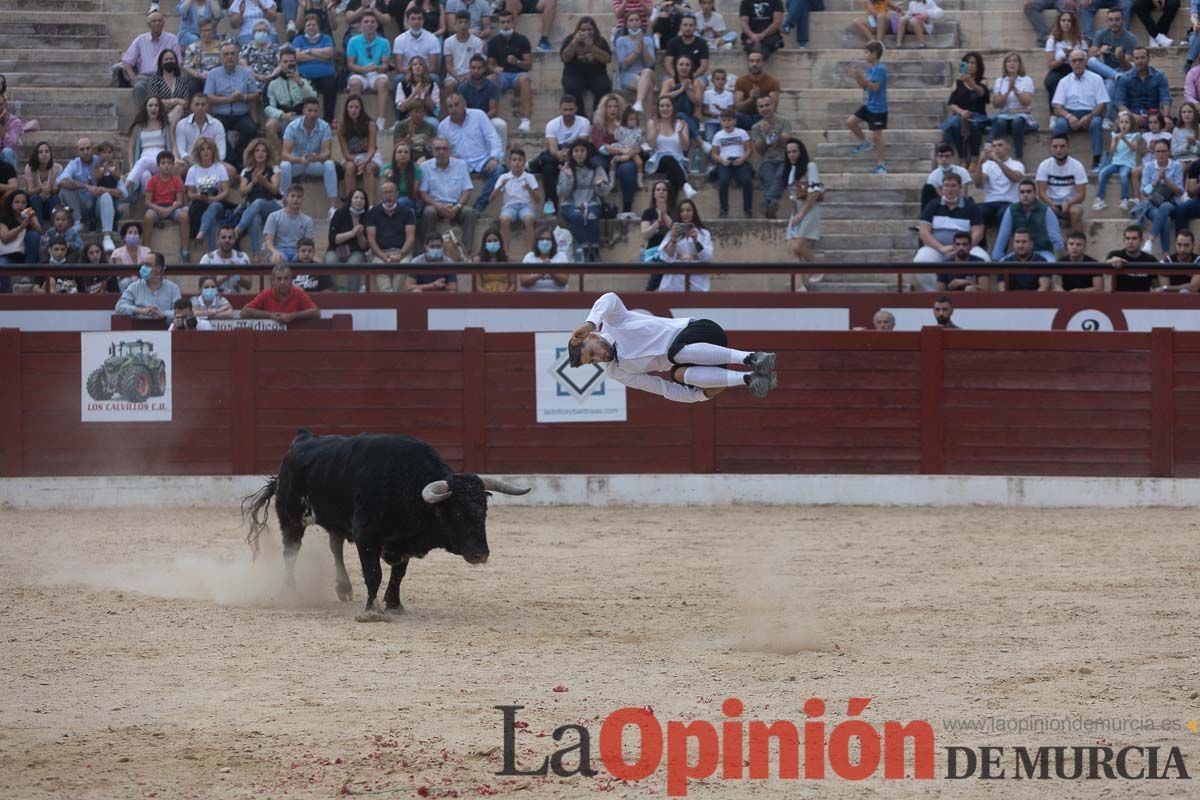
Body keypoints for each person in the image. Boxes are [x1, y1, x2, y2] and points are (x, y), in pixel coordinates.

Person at [568, 292, 778, 401]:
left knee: (674, 354)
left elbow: (609, 298)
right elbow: (663, 389)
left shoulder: (614, 322)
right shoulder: (617, 372)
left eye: (593, 353)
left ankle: (752, 357)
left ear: (593, 337)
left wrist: (590, 321)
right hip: (702, 363)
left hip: (701, 331)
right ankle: (751, 379)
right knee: (677, 374)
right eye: (593, 361)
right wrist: (699, 396)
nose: (599, 358)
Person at [913, 172, 987, 291]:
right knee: (920, 261)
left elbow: (978, 232)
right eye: (946, 186)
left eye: (953, 186)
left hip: (965, 247)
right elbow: (924, 232)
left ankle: (969, 291)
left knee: (985, 259)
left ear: (960, 188)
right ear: (942, 189)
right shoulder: (932, 205)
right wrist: (941, 248)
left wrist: (963, 247)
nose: (949, 189)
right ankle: (939, 295)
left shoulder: (971, 206)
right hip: (938, 248)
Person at [438, 93, 505, 213]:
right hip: (460, 164)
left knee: (499, 170)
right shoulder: (443, 126)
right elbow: (442, 150)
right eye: (450, 106)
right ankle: (453, 211)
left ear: (464, 104)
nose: (454, 109)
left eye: (457, 105)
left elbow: (493, 137)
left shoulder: (478, 115)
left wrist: (494, 157)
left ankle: (478, 207)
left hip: (483, 160)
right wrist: (450, 157)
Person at [58, 138, 123, 253]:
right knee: (65, 187)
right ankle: (78, 222)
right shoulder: (74, 164)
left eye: (88, 148)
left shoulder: (102, 161)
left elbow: (121, 189)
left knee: (106, 195)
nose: (85, 152)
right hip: (82, 205)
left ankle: (107, 236)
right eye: (82, 149)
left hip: (99, 206)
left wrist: (103, 189)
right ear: (77, 151)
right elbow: (61, 181)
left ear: (93, 149)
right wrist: (87, 187)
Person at [532, 95, 593, 215]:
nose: (568, 112)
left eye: (571, 109)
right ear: (560, 109)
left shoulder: (584, 122)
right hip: (559, 154)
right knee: (548, 164)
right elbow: (553, 148)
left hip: (578, 153)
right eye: (565, 110)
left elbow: (582, 144)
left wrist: (569, 154)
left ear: (576, 109)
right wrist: (559, 154)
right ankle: (550, 202)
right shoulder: (552, 124)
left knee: (546, 159)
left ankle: (534, 163)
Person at [204, 42, 261, 171]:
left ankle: (240, 156)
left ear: (237, 56)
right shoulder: (213, 74)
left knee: (251, 128)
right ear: (221, 57)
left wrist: (243, 97)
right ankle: (233, 160)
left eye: (232, 54)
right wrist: (229, 99)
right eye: (226, 54)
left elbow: (256, 94)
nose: (229, 57)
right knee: (216, 131)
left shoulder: (246, 73)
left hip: (241, 114)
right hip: (221, 114)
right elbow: (209, 97)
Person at [280, 97, 339, 218]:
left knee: (329, 165)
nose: (313, 114)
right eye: (310, 110)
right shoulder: (292, 126)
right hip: (297, 162)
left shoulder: (324, 126)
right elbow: (284, 154)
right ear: (304, 111)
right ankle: (283, 203)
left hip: (314, 162)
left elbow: (327, 153)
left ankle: (333, 207)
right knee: (284, 166)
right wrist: (299, 159)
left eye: (315, 111)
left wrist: (316, 158)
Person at [1052, 49, 1109, 172]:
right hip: (1070, 113)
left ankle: (1097, 159)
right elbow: (1057, 106)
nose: (1077, 63)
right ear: (1070, 63)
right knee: (1060, 124)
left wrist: (1089, 116)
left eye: (1080, 60)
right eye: (1074, 61)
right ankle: (1058, 157)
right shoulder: (1064, 81)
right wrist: (1069, 117)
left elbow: (1102, 103)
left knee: (1096, 123)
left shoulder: (1096, 78)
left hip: (1091, 113)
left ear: (1086, 62)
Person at [419, 138, 479, 255]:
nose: (442, 152)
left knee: (469, 212)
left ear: (450, 151)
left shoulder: (461, 165)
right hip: (435, 205)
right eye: (438, 149)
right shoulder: (425, 167)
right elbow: (423, 193)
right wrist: (438, 206)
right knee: (428, 212)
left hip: (456, 206)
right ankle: (427, 250)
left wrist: (457, 206)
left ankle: (467, 252)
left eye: (445, 149)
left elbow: (467, 189)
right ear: (432, 151)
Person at [557, 138, 611, 263]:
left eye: (582, 151)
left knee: (591, 216)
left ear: (587, 153)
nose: (579, 154)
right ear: (572, 153)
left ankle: (595, 250)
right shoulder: (566, 168)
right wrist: (569, 178)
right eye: (576, 151)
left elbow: (604, 192)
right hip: (570, 204)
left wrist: (599, 185)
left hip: (591, 202)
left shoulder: (597, 169)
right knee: (577, 217)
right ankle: (585, 248)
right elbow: (562, 193)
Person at [121, 10, 182, 111]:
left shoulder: (172, 39)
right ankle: (142, 118)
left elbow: (178, 63)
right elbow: (127, 62)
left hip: (165, 77)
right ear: (148, 24)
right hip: (145, 78)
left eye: (159, 21)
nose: (157, 23)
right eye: (153, 21)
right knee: (139, 87)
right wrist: (133, 77)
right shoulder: (140, 39)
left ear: (164, 23)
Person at [992, 178, 1064, 261]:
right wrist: (995, 259)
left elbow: (1055, 238)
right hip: (1018, 254)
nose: (1025, 195)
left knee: (1051, 263)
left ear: (1035, 193)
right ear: (1018, 194)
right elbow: (1003, 237)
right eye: (1022, 192)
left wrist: (1063, 260)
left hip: (1043, 252)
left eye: (1028, 192)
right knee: (1002, 264)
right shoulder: (1011, 210)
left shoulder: (1046, 210)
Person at [232, 138, 283, 258]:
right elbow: (242, 192)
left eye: (263, 151)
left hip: (272, 206)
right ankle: (256, 254)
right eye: (257, 151)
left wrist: (264, 181)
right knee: (255, 218)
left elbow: (275, 190)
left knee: (259, 202)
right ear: (252, 153)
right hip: (253, 207)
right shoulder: (246, 171)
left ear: (268, 154)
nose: (260, 153)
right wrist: (253, 182)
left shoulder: (274, 169)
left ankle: (238, 229)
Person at [592, 95, 640, 218]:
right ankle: (601, 205)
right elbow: (601, 146)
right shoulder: (598, 124)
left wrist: (626, 152)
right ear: (604, 108)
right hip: (604, 156)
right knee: (598, 165)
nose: (613, 109)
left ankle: (627, 208)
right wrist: (622, 149)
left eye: (616, 107)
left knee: (629, 168)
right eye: (609, 106)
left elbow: (635, 141)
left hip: (623, 158)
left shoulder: (626, 123)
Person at [487, 9, 533, 133]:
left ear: (513, 23)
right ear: (499, 24)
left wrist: (517, 62)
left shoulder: (522, 40)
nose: (506, 25)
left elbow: (529, 65)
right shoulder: (493, 41)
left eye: (508, 22)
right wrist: (494, 69)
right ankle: (491, 117)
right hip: (502, 75)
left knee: (525, 79)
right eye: (502, 22)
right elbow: (489, 64)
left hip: (518, 75)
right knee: (489, 80)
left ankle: (525, 121)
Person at [940, 52, 990, 164]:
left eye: (973, 63)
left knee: (975, 125)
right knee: (955, 126)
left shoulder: (983, 80)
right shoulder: (957, 82)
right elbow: (951, 103)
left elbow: (982, 93)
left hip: (978, 116)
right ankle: (962, 158)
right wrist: (962, 112)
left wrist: (970, 82)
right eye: (967, 63)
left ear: (978, 66)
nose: (970, 65)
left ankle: (974, 158)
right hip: (961, 115)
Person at [367, 180, 418, 291]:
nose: (388, 196)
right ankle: (390, 299)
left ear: (397, 194)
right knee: (380, 265)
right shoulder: (372, 213)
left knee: (404, 265)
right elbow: (371, 240)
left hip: (402, 252)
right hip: (380, 253)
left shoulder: (407, 212)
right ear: (381, 195)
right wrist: (383, 256)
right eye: (385, 193)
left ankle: (394, 298)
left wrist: (400, 254)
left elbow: (410, 238)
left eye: (390, 192)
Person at [346, 11, 392, 132]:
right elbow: (350, 64)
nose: (369, 24)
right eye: (366, 22)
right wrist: (364, 69)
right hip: (359, 73)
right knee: (354, 83)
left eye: (373, 22)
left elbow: (385, 65)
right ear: (361, 25)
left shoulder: (384, 42)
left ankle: (381, 119)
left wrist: (376, 68)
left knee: (383, 82)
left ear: (377, 24)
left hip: (376, 73)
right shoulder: (353, 41)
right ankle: (353, 121)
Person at [488, 148, 540, 255]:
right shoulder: (504, 177)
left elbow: (538, 199)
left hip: (526, 206)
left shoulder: (530, 177)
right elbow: (491, 198)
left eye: (520, 160)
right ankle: (506, 252)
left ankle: (530, 252)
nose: (517, 163)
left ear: (524, 162)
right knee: (504, 220)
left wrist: (529, 188)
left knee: (529, 219)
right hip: (509, 207)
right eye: (514, 160)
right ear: (510, 162)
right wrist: (500, 187)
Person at [846, 41, 888, 174]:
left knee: (877, 137)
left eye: (867, 53)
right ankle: (865, 143)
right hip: (869, 105)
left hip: (879, 108)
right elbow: (865, 87)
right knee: (851, 122)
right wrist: (857, 78)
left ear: (874, 54)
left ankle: (881, 164)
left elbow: (875, 87)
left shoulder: (881, 69)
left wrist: (861, 77)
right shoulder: (871, 69)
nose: (865, 55)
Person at [185, 136, 232, 254]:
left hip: (218, 203)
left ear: (213, 151)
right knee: (211, 221)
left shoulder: (220, 168)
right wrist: (199, 196)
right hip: (200, 205)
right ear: (198, 152)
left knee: (215, 206)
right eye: (202, 149)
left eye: (208, 149)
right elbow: (189, 194)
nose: (206, 152)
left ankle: (201, 233)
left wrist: (214, 198)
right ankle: (213, 256)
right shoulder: (193, 170)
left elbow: (226, 191)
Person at [647, 95, 699, 201]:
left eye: (668, 106)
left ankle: (669, 210)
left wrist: (680, 133)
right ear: (658, 108)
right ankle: (685, 185)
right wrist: (656, 132)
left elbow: (685, 148)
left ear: (673, 108)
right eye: (661, 106)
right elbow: (651, 146)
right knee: (668, 159)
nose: (664, 109)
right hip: (659, 161)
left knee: (672, 176)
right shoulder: (652, 122)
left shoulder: (681, 124)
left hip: (678, 160)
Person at [1136, 138, 1183, 255]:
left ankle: (1150, 240)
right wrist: (1156, 181)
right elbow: (1144, 192)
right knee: (1164, 218)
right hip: (1151, 204)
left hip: (1171, 203)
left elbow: (1179, 192)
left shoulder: (1176, 166)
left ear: (1169, 151)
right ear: (1154, 153)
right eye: (1158, 151)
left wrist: (1165, 180)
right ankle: (1166, 254)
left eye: (1163, 151)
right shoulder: (1149, 166)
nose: (1161, 154)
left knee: (1166, 206)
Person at [1036, 133, 1089, 233]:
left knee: (1076, 212)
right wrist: (1051, 203)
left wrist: (1068, 203)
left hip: (1072, 203)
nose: (1058, 150)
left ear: (1068, 147)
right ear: (1050, 148)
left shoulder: (1077, 166)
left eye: (1062, 146)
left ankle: (1075, 243)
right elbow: (1041, 193)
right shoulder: (1044, 165)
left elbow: (1081, 194)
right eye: (1055, 147)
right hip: (1051, 203)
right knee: (1040, 212)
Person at [561, 16, 613, 118]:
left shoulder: (600, 40)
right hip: (574, 75)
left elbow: (607, 59)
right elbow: (565, 58)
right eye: (583, 30)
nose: (586, 32)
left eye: (589, 30)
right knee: (571, 88)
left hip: (596, 74)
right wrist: (573, 43)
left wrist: (592, 47)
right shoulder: (570, 39)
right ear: (578, 30)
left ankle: (597, 118)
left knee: (604, 87)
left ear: (594, 30)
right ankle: (580, 117)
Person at [751, 95, 792, 218]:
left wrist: (772, 132)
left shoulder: (784, 121)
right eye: (761, 106)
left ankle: (768, 202)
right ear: (758, 109)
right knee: (769, 179)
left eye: (767, 105)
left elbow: (785, 143)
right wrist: (765, 134)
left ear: (773, 105)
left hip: (784, 158)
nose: (765, 108)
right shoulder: (756, 127)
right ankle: (772, 206)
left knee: (780, 176)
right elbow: (761, 150)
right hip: (767, 160)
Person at [657, 198, 712, 291]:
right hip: (674, 283)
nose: (685, 213)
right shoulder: (673, 231)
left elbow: (706, 256)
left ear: (693, 212)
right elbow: (667, 256)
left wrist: (695, 240)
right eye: (682, 211)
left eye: (688, 210)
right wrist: (673, 239)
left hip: (697, 283)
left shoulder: (704, 233)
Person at [1087, 7, 1135, 113]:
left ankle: (1108, 118)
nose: (1114, 23)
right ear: (1107, 21)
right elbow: (1090, 55)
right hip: (1104, 69)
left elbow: (1128, 67)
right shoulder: (1101, 34)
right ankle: (1116, 76)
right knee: (1091, 61)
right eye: (1111, 20)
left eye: (1117, 19)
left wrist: (1121, 57)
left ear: (1123, 20)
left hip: (1121, 70)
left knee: (1110, 84)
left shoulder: (1129, 38)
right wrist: (1100, 51)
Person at [265, 47, 318, 142]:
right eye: (285, 62)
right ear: (280, 63)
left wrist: (300, 83)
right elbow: (268, 107)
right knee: (270, 125)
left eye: (291, 61)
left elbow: (313, 98)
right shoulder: (272, 83)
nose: (288, 64)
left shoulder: (304, 79)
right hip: (282, 117)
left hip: (302, 115)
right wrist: (282, 115)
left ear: (296, 63)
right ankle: (279, 155)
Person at [125, 96, 175, 197]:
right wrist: (132, 167)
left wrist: (176, 159)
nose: (153, 108)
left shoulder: (165, 125)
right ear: (146, 108)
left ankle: (125, 187)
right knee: (145, 175)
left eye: (156, 105)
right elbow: (131, 148)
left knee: (144, 161)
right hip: (144, 161)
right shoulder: (138, 126)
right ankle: (151, 201)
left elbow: (173, 145)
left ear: (159, 108)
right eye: (150, 105)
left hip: (161, 161)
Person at [142, 154, 190, 258]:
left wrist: (169, 210)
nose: (166, 166)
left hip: (172, 208)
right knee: (148, 217)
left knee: (184, 217)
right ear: (158, 166)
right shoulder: (153, 180)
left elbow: (179, 201)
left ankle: (185, 250)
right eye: (163, 163)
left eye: (169, 163)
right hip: (156, 207)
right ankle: (145, 249)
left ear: (172, 165)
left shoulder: (177, 180)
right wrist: (160, 209)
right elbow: (148, 202)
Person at [293, 12, 338, 123]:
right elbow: (297, 57)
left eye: (314, 25)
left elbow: (329, 54)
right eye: (308, 25)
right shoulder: (298, 39)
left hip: (325, 76)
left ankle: (328, 120)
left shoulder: (326, 38)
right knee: (300, 88)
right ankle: (302, 120)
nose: (311, 27)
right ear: (304, 27)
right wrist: (320, 56)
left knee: (331, 87)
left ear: (318, 27)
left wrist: (309, 51)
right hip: (305, 76)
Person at [970, 137, 1024, 230]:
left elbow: (1015, 178)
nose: (997, 148)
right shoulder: (987, 165)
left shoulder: (1017, 164)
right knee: (977, 210)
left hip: (1010, 202)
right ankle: (981, 244)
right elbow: (978, 184)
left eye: (1000, 145)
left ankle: (1003, 244)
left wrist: (997, 161)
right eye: (994, 146)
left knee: (1003, 213)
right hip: (990, 202)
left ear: (1008, 147)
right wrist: (979, 162)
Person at [1113, 46, 1172, 130]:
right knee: (1120, 123)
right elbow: (1119, 103)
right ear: (1133, 60)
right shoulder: (1125, 78)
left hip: (1153, 114)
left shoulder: (1159, 76)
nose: (1140, 61)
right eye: (1137, 58)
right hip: (1132, 115)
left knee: (1169, 124)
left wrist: (1166, 116)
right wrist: (1131, 115)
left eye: (1143, 57)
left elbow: (1166, 98)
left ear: (1148, 58)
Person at [1093, 109, 1142, 210]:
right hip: (1115, 163)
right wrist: (1115, 142)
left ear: (1131, 124)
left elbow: (1134, 148)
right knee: (1102, 173)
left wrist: (1125, 139)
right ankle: (1100, 199)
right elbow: (1111, 151)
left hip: (1128, 164)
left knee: (1123, 175)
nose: (1124, 125)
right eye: (1121, 122)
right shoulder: (1114, 135)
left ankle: (1124, 199)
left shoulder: (1134, 135)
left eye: (1126, 122)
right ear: (1118, 124)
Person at [241, 263, 322, 323]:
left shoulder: (298, 292)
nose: (282, 282)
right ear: (273, 281)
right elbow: (244, 313)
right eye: (279, 279)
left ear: (291, 280)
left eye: (286, 278)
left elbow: (316, 313)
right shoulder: (266, 294)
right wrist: (270, 315)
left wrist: (293, 316)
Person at [784, 137, 822, 265]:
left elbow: (815, 192)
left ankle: (818, 269)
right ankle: (798, 284)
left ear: (801, 152)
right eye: (789, 152)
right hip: (796, 211)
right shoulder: (791, 170)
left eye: (794, 151)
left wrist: (801, 214)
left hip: (808, 210)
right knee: (791, 248)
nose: (792, 155)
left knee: (799, 246)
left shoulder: (810, 166)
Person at [660, 55, 705, 163]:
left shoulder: (697, 82)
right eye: (681, 64)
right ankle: (699, 140)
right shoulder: (669, 82)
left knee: (683, 119)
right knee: (680, 115)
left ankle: (682, 158)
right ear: (676, 67)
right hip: (672, 116)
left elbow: (698, 102)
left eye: (687, 65)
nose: (684, 67)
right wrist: (681, 89)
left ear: (691, 68)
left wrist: (688, 89)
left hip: (692, 118)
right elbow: (661, 98)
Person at [710, 109, 753, 218]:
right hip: (725, 161)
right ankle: (723, 209)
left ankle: (748, 209)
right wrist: (722, 161)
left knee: (746, 180)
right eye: (724, 120)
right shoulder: (718, 135)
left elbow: (749, 150)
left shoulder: (742, 132)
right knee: (723, 181)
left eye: (729, 120)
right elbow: (714, 153)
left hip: (740, 160)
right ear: (721, 122)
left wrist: (742, 159)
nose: (727, 123)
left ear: (735, 121)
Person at [459, 55, 508, 151]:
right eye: (473, 68)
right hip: (469, 121)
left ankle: (500, 159)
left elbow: (493, 110)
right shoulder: (463, 88)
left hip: (487, 119)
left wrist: (481, 120)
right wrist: (473, 121)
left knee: (501, 125)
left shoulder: (492, 86)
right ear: (470, 69)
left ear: (484, 69)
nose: (476, 71)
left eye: (479, 68)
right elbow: (462, 109)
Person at [174, 94, 230, 177]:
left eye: (203, 104)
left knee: (231, 171)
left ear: (208, 106)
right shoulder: (182, 124)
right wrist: (193, 162)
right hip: (190, 161)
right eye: (197, 104)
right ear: (191, 106)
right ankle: (182, 190)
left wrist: (209, 163)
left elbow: (221, 153)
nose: (200, 107)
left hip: (212, 161)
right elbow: (181, 151)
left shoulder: (217, 124)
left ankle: (221, 190)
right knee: (177, 168)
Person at [339, 95, 382, 202]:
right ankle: (350, 203)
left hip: (370, 156)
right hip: (352, 157)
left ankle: (370, 204)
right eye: (351, 107)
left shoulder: (370, 124)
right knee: (350, 167)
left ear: (361, 109)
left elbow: (372, 148)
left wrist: (365, 161)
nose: (354, 110)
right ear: (346, 109)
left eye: (357, 107)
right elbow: (345, 153)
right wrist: (357, 161)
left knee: (368, 168)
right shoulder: (342, 127)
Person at [614, 12, 657, 116]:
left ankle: (639, 102)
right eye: (631, 20)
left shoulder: (648, 40)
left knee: (646, 72)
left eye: (637, 20)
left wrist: (641, 43)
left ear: (640, 23)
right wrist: (637, 50)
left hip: (646, 73)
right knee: (649, 86)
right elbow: (624, 63)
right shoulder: (621, 41)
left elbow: (650, 63)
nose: (634, 23)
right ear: (626, 24)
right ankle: (648, 123)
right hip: (628, 74)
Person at [1044, 11, 1088, 111]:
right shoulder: (1053, 40)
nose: (1066, 23)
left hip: (1078, 67)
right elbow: (1050, 65)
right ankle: (1054, 114)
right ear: (1059, 23)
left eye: (1069, 21)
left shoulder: (1080, 39)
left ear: (1073, 23)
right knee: (1051, 81)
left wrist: (1075, 56)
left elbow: (1086, 59)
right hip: (1060, 67)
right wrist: (1064, 57)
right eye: (1063, 20)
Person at [114, 255, 182, 319]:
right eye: (143, 264)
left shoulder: (173, 288)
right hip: (139, 329)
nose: (143, 268)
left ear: (158, 268)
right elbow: (119, 307)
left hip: (165, 329)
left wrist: (163, 314)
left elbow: (180, 312)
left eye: (147, 265)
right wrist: (140, 310)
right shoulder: (134, 286)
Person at [146, 49, 195, 131]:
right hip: (160, 113)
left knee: (179, 109)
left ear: (176, 61)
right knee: (178, 107)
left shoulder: (182, 80)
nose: (169, 61)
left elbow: (186, 103)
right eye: (166, 59)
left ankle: (168, 131)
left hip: (181, 114)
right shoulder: (155, 80)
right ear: (161, 63)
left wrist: (166, 102)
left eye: (172, 59)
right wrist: (175, 100)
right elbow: (153, 101)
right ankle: (169, 132)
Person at [264, 185, 316, 263]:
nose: (296, 199)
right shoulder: (274, 216)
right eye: (292, 196)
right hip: (278, 250)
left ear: (302, 199)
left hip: (298, 252)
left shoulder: (308, 220)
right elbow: (268, 241)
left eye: (299, 197)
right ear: (286, 198)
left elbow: (309, 243)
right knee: (278, 258)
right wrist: (274, 252)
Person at [393, 6, 442, 83]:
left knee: (434, 78)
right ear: (408, 20)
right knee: (398, 79)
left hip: (426, 73)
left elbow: (433, 67)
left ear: (423, 20)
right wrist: (413, 73)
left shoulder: (433, 39)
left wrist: (420, 73)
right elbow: (399, 67)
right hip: (407, 73)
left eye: (419, 18)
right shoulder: (399, 39)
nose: (416, 22)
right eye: (413, 19)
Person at [199, 224, 253, 293]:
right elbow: (202, 286)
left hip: (236, 299)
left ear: (234, 240)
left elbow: (249, 285)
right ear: (218, 239)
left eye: (230, 237)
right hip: (214, 301)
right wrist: (226, 274)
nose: (227, 240)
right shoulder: (207, 258)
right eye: (223, 237)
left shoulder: (242, 257)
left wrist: (236, 274)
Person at [733, 50, 779, 129]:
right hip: (745, 117)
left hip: (763, 117)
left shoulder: (772, 81)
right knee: (734, 116)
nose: (755, 64)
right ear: (748, 63)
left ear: (763, 63)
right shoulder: (741, 81)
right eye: (752, 61)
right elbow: (738, 107)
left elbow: (773, 107)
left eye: (758, 61)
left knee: (778, 118)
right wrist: (751, 99)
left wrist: (760, 100)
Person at [444, 11, 487, 94]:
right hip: (454, 75)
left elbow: (478, 63)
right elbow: (448, 65)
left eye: (465, 22)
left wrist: (469, 76)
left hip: (473, 74)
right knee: (448, 85)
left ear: (470, 24)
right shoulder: (448, 42)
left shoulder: (477, 42)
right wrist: (458, 77)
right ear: (455, 24)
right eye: (460, 22)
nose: (463, 25)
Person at [1106, 224, 1159, 291]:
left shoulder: (1150, 259)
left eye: (1134, 238)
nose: (1130, 242)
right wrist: (1111, 261)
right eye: (1127, 238)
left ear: (1141, 240)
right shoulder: (1115, 255)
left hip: (1143, 300)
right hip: (1120, 299)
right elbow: (1105, 271)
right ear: (1124, 240)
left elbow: (1156, 285)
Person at [0, 190, 43, 267]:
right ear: (11, 204)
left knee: (33, 235)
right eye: (17, 202)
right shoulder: (4, 219)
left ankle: (28, 272)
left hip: (27, 255)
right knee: (2, 264)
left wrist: (31, 221)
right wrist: (22, 226)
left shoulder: (31, 217)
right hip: (8, 255)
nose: (20, 205)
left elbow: (40, 233)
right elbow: (5, 238)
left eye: (23, 203)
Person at [23, 141, 62, 223]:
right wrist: (40, 188)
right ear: (36, 155)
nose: (44, 154)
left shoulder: (57, 168)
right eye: (40, 152)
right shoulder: (29, 167)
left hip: (50, 205)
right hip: (35, 205)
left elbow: (56, 190)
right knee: (34, 198)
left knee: (55, 198)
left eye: (47, 151)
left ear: (50, 154)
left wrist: (49, 188)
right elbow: (29, 191)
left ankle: (55, 229)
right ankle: (39, 230)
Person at [240, 19, 283, 95]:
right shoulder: (247, 47)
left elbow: (280, 64)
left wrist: (271, 75)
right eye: (259, 30)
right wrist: (256, 76)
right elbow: (243, 63)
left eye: (264, 31)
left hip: (271, 79)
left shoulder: (274, 47)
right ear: (253, 33)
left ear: (268, 33)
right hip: (252, 79)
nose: (261, 33)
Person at [381, 140, 423, 214]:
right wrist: (388, 178)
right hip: (390, 201)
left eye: (406, 152)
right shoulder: (386, 168)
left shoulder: (416, 170)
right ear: (395, 155)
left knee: (402, 202)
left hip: (409, 200)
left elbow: (412, 194)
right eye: (399, 152)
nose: (403, 154)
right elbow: (385, 192)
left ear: (410, 156)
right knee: (410, 212)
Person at [475, 227, 513, 292]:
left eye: (495, 240)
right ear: (484, 243)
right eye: (489, 241)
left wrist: (505, 296)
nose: (492, 243)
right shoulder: (478, 260)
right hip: (485, 297)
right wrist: (491, 297)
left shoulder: (508, 259)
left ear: (500, 242)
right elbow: (478, 286)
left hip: (505, 296)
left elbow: (513, 285)